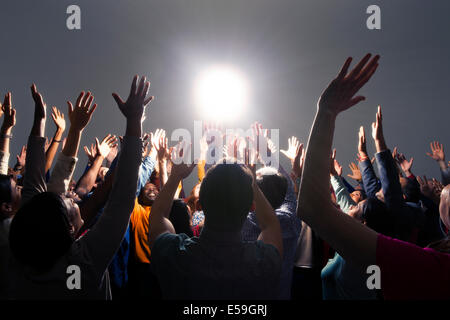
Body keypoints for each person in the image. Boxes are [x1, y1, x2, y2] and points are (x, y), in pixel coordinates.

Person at [297, 53, 450, 299]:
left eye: (443, 195)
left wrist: (326, 112)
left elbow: (313, 208)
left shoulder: (433, 268)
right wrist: (369, 156)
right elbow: (385, 196)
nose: (351, 209)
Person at [7, 76, 153, 299]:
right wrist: (134, 121)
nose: (72, 197)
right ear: (70, 230)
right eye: (70, 203)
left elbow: (32, 186)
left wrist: (40, 121)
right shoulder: (81, 266)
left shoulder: (27, 246)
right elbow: (123, 198)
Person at [149, 147, 283, 299]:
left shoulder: (174, 255)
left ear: (199, 205)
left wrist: (175, 177)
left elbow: (158, 216)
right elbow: (271, 225)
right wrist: (252, 182)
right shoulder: (263, 262)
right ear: (252, 207)